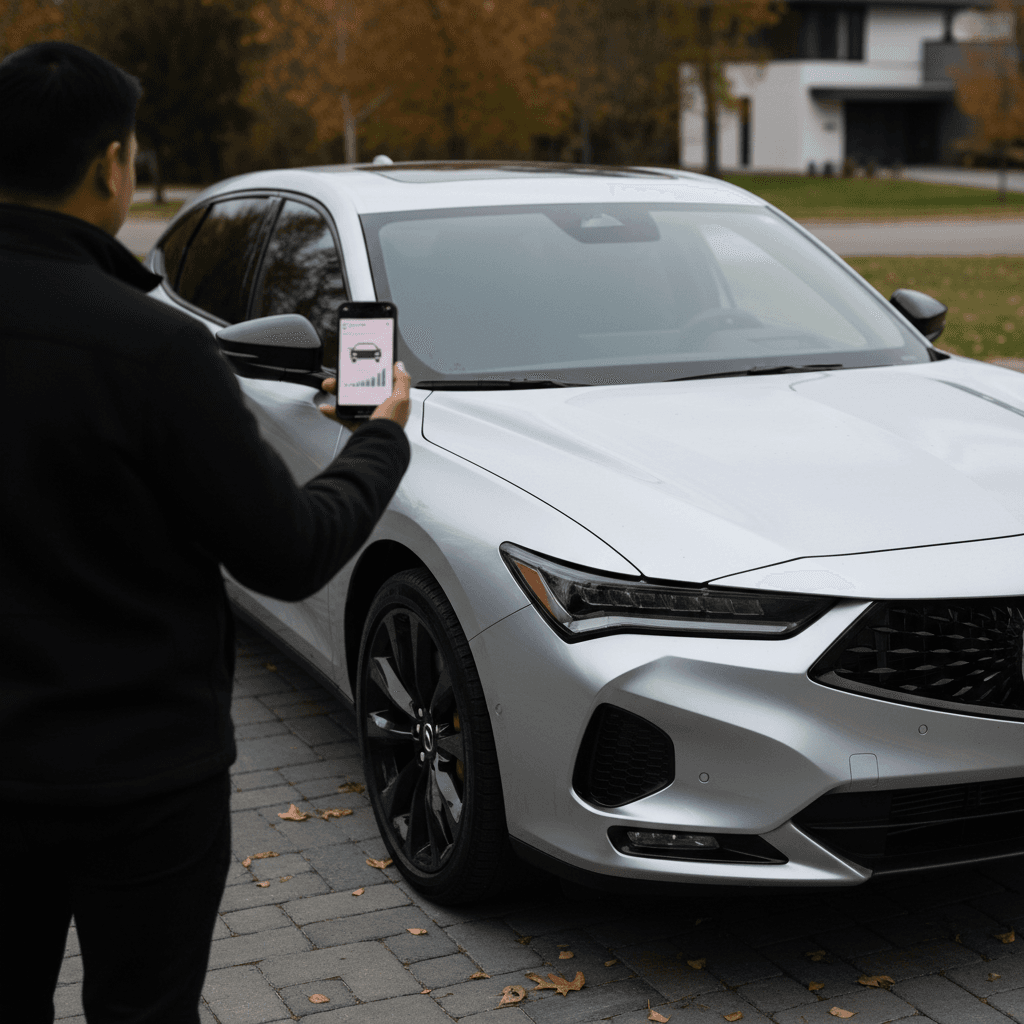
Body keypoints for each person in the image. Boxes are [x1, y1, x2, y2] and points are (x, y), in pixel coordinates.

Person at [0, 41, 411, 1024]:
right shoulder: (151, 347)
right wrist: (379, 441)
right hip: (139, 783)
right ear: (112, 164)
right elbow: (287, 549)